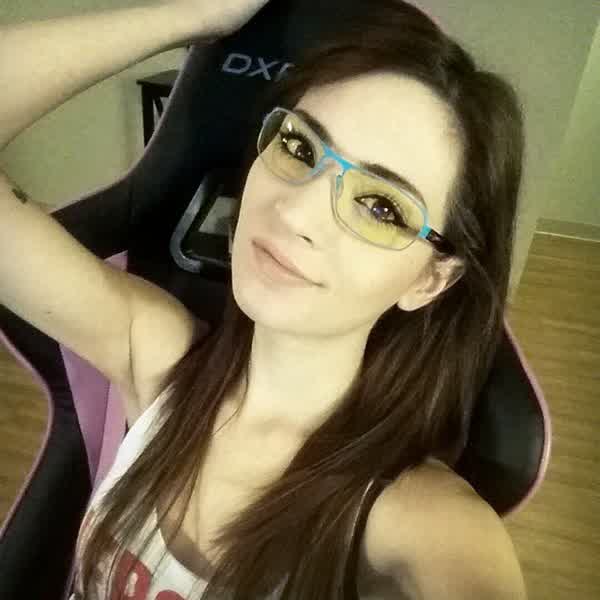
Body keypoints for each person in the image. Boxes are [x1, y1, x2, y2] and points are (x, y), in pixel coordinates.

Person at [0, 1, 528, 598]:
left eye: (380, 207)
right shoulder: (155, 356)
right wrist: (199, 16)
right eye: (300, 147)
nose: (295, 211)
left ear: (429, 279)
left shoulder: (412, 523)